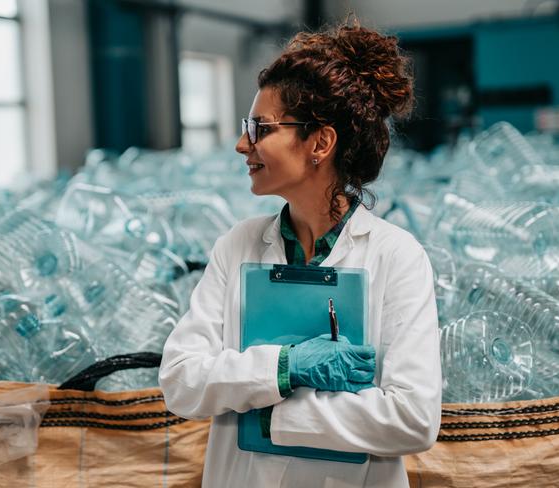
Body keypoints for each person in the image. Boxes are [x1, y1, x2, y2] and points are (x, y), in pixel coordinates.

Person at [159, 20, 442, 488]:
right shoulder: (239, 245)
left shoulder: (396, 257)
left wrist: (272, 416)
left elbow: (412, 417)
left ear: (320, 143)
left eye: (260, 129)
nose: (241, 144)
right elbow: (181, 381)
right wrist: (285, 367)